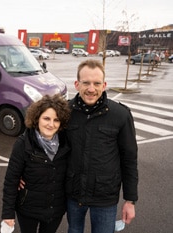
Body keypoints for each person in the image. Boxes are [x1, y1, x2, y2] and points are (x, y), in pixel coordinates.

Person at [65, 59, 138, 233]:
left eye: (97, 83)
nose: (91, 89)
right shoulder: (65, 112)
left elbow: (129, 159)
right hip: (73, 194)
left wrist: (130, 200)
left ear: (104, 85)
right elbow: (47, 147)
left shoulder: (120, 115)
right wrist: (24, 174)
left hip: (105, 196)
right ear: (77, 84)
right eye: (86, 83)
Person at [1, 94, 71, 233]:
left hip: (55, 210)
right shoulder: (23, 143)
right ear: (37, 118)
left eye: (56, 120)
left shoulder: (67, 143)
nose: (51, 124)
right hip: (28, 209)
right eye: (46, 118)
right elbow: (11, 180)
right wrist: (7, 214)